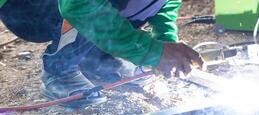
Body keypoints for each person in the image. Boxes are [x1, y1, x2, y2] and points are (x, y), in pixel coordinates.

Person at [0, 0, 203, 107]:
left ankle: (98, 59)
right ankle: (60, 68)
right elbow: (79, 5)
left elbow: (162, 2)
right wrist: (152, 52)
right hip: (24, 7)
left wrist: (164, 38)